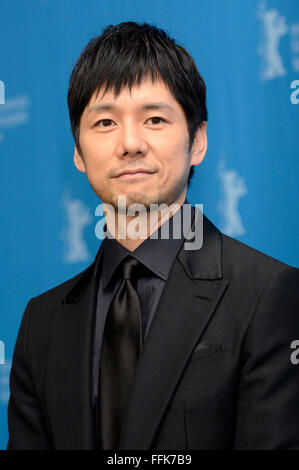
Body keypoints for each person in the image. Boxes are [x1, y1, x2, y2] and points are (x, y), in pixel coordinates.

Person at [7, 21, 299, 450]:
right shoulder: (42, 321)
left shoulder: (270, 293)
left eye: (155, 119)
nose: (130, 143)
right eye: (105, 122)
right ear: (77, 152)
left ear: (197, 140)